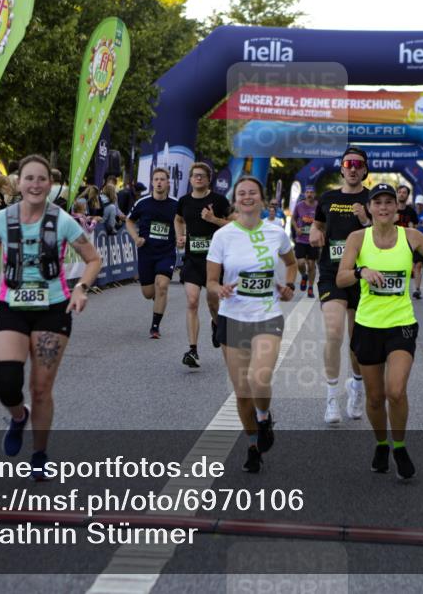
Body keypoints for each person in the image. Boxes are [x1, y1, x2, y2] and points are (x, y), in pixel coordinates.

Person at [0, 155, 102, 479]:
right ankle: (18, 417)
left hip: (53, 309)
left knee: (41, 388)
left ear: (50, 184)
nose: (36, 185)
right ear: (18, 182)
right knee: (6, 384)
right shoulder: (2, 219)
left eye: (42, 179)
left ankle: (40, 455)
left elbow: (93, 259)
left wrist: (82, 288)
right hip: (12, 306)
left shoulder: (63, 221)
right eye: (29, 178)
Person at [337, 184, 423, 478]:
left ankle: (399, 446)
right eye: (379, 203)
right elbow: (340, 278)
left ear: (396, 208)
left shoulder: (411, 236)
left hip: (401, 324)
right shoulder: (357, 238)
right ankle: (381, 443)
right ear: (370, 207)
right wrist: (362, 272)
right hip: (367, 325)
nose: (385, 207)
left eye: (390, 202)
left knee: (396, 391)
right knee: (375, 398)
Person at [206, 175, 297, 472]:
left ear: (261, 199)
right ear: (235, 200)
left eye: (252, 193)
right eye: (241, 193)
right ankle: (253, 445)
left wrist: (290, 286)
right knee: (242, 390)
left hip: (267, 315)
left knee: (259, 379)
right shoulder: (223, 237)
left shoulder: (276, 233)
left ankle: (264, 417)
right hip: (233, 317)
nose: (247, 197)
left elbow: (292, 263)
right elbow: (209, 280)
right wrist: (218, 289)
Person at [310, 146, 371, 424]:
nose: (354, 168)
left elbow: (384, 233)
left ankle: (356, 386)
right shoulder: (328, 197)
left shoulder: (372, 198)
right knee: (334, 332)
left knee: (357, 340)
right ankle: (332, 397)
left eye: (359, 163)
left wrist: (365, 220)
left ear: (365, 169)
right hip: (331, 273)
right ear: (342, 168)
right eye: (349, 163)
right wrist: (313, 231)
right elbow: (318, 225)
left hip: (363, 275)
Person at [174, 162, 232, 367]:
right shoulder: (184, 201)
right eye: (195, 175)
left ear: (208, 179)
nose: (198, 178)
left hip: (214, 261)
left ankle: (216, 324)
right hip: (192, 260)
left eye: (202, 176)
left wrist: (213, 219)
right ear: (190, 179)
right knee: (191, 301)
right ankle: (192, 350)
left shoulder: (218, 200)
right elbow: (179, 219)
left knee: (213, 303)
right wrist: (180, 236)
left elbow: (235, 223)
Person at [127, 168, 179, 338]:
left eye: (162, 179)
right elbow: (129, 220)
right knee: (149, 293)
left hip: (166, 252)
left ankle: (155, 327)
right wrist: (136, 237)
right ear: (151, 182)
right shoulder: (142, 203)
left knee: (162, 286)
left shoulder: (175, 204)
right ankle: (159, 299)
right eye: (156, 179)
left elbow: (182, 222)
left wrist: (182, 236)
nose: (159, 182)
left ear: (167, 182)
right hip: (146, 254)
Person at [291, 185, 319, 296]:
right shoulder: (299, 206)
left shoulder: (318, 206)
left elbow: (323, 220)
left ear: (314, 194)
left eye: (311, 192)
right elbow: (293, 218)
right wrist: (297, 228)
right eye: (307, 192)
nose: (309, 194)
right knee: (301, 263)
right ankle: (304, 275)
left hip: (313, 240)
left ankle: (310, 287)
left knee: (311, 265)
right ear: (305, 194)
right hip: (301, 239)